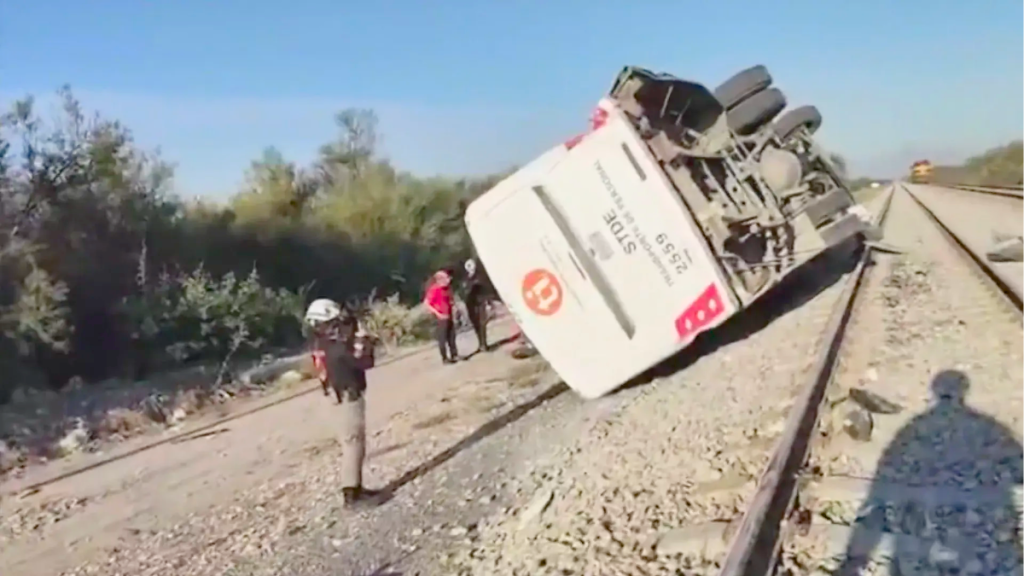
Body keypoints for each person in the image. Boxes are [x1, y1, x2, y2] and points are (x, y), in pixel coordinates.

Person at [304, 298, 386, 510]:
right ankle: (352, 495)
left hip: (333, 395)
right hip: (346, 396)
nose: (338, 324)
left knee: (351, 443)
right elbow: (364, 361)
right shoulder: (336, 349)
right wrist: (363, 340)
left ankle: (356, 488)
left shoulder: (319, 344)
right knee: (353, 445)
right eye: (333, 321)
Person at [424, 270, 459, 364]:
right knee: (442, 339)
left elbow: (450, 300)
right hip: (440, 318)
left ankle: (454, 355)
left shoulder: (447, 288)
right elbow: (427, 304)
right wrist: (438, 314)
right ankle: (445, 358)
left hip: (449, 315)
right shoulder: (434, 289)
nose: (449, 280)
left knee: (452, 336)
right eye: (446, 278)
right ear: (440, 280)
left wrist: (454, 308)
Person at [463, 257, 494, 353]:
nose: (470, 268)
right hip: (471, 304)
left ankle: (484, 344)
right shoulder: (466, 278)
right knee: (476, 324)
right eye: (468, 266)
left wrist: (489, 302)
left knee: (482, 324)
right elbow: (464, 291)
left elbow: (485, 290)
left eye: (471, 266)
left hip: (481, 303)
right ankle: (481, 344)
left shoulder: (480, 277)